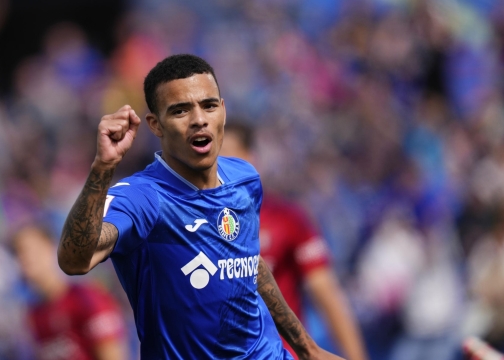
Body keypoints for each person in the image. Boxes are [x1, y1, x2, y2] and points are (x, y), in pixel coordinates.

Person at [57, 54, 343, 359]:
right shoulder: (142, 197)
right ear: (156, 124)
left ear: (222, 110)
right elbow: (75, 260)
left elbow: (249, 263)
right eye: (180, 110)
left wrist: (308, 349)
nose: (198, 119)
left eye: (208, 105)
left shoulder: (244, 178)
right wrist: (103, 167)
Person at [220, 122, 368, 360]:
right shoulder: (190, 227)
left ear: (251, 159)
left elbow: (327, 294)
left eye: (228, 156)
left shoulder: (286, 220)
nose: (218, 166)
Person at [12, 223, 129, 360]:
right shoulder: (33, 316)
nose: (26, 258)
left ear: (51, 248)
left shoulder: (86, 298)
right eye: (19, 252)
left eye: (31, 250)